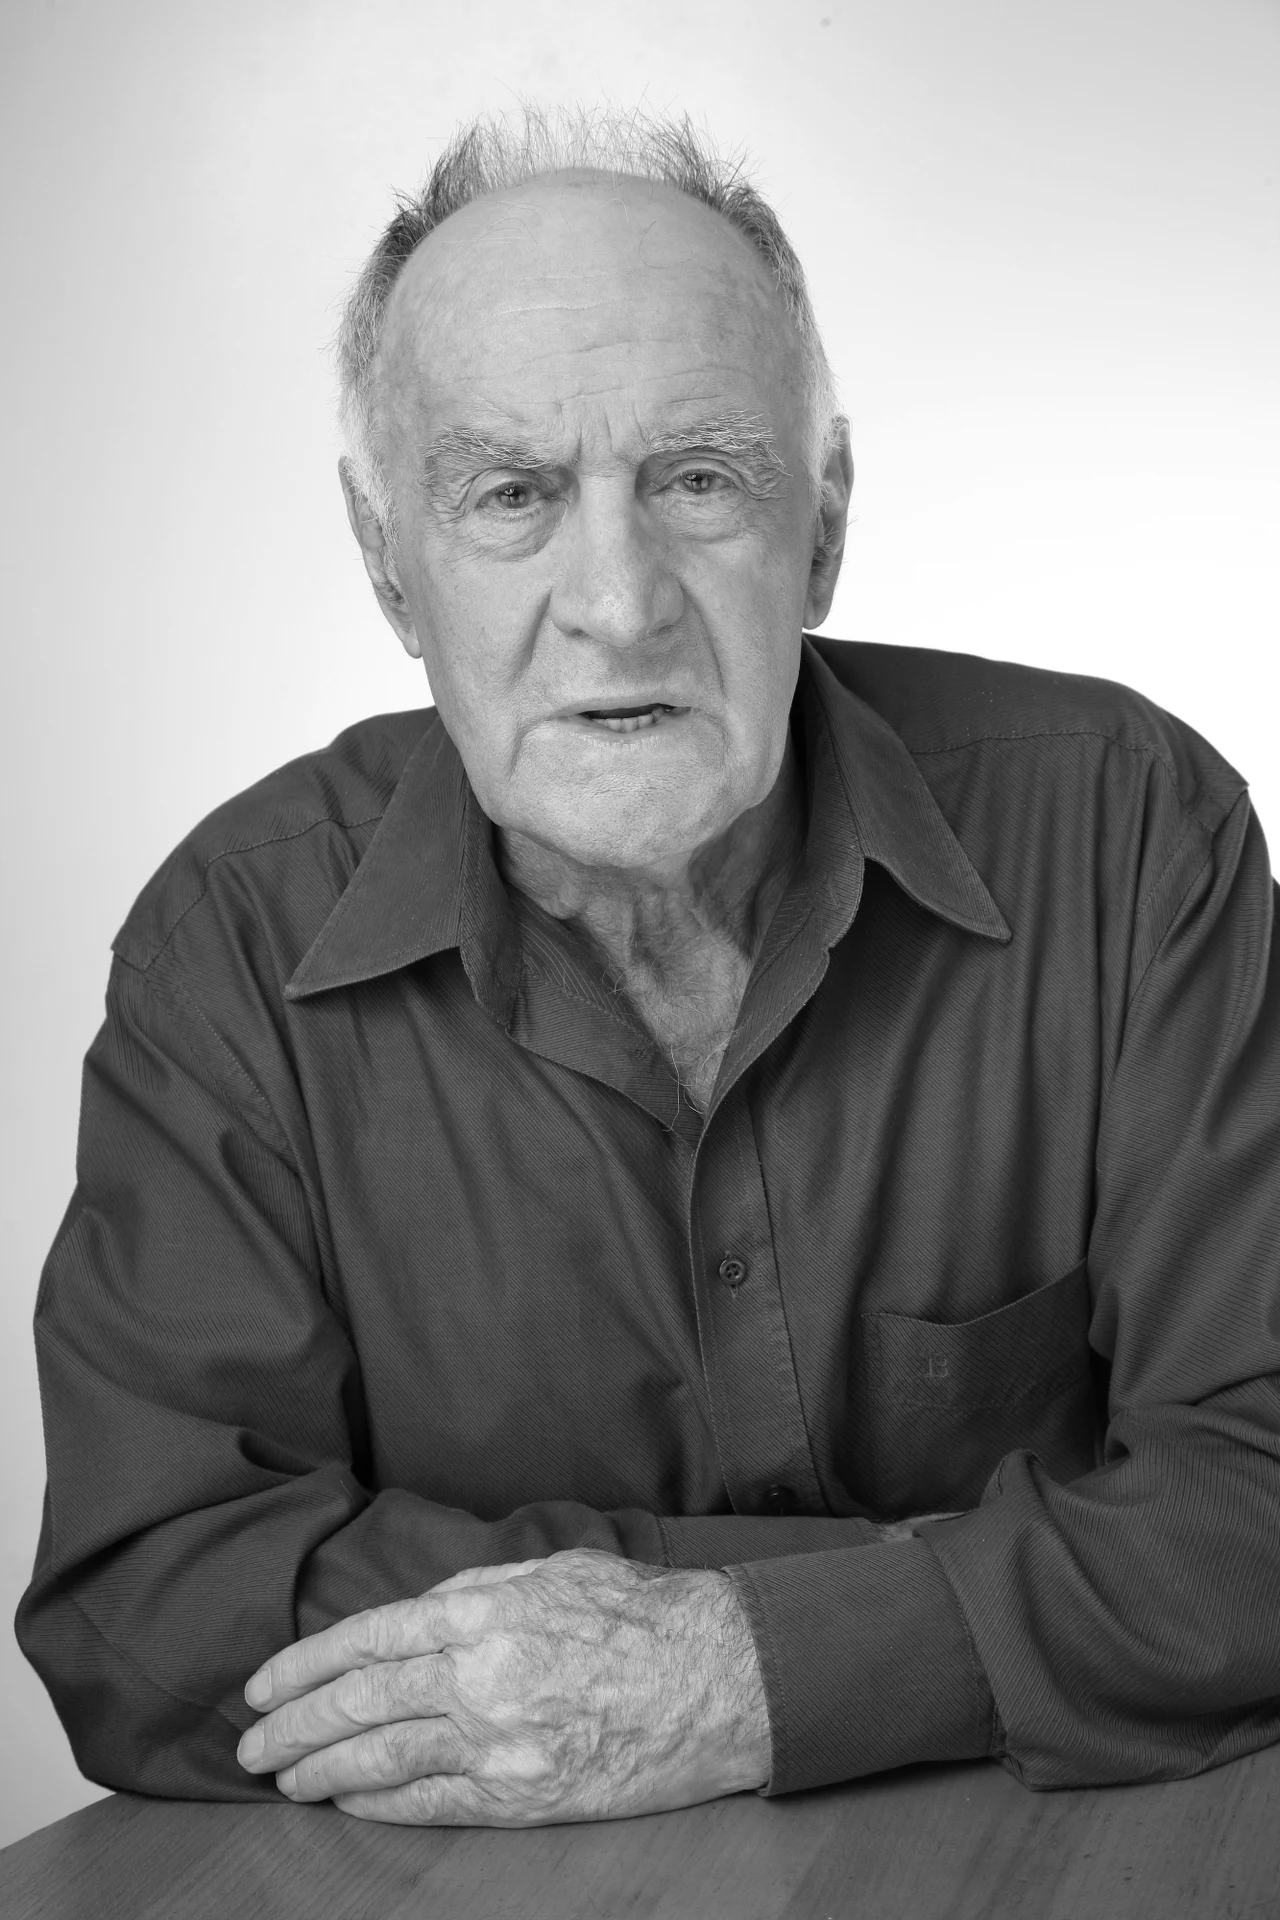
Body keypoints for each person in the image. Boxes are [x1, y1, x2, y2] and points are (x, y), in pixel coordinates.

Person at [17, 109, 1280, 1829]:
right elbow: (155, 1610)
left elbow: (1257, 1502)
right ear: (388, 562)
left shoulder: (1132, 834)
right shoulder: (230, 950)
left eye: (699, 480)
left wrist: (731, 1667)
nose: (618, 602)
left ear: (822, 524)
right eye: (511, 496)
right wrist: (953, 1607)